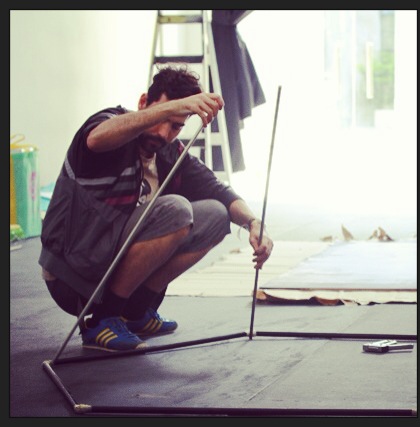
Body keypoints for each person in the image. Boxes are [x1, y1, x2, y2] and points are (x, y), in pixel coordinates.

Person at [39, 64, 274, 352]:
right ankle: (102, 320)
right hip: (72, 274)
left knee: (215, 215)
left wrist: (254, 224)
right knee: (176, 210)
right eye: (162, 117)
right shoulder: (111, 122)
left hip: (111, 262)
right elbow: (96, 139)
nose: (164, 133)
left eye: (176, 126)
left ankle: (134, 312)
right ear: (143, 103)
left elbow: (219, 192)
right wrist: (172, 109)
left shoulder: (168, 152)